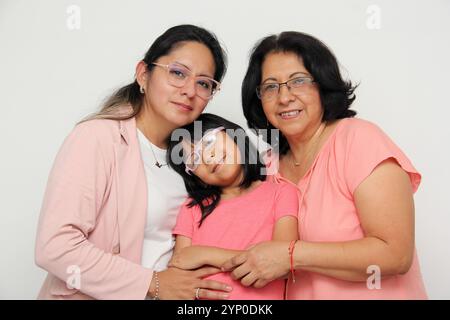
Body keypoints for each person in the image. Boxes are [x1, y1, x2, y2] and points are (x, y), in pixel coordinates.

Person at [222, 31, 428, 299]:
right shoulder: (265, 169)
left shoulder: (358, 139)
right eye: (271, 87)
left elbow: (395, 254)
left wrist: (291, 255)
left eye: (298, 81)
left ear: (323, 85)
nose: (284, 97)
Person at [34, 24, 232, 300]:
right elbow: (55, 246)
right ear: (143, 74)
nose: (190, 90)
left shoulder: (196, 160)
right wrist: (155, 283)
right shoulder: (97, 138)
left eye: (203, 83)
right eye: (177, 73)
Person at [166, 113, 299, 299]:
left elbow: (283, 262)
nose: (207, 156)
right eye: (193, 160)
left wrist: (204, 254)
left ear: (233, 134)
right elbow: (181, 267)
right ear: (197, 178)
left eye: (209, 141)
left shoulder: (282, 193)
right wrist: (249, 259)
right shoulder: (192, 209)